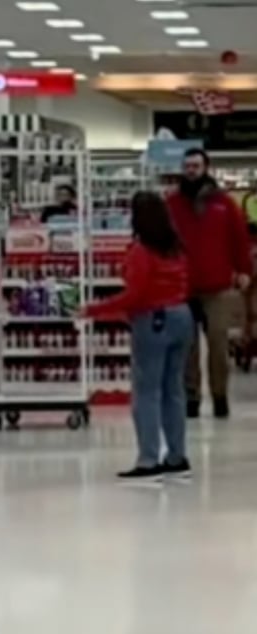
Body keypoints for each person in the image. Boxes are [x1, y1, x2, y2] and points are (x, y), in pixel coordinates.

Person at [82, 192, 193, 481]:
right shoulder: (177, 248)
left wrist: (94, 310)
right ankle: (177, 456)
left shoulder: (141, 251)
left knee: (147, 392)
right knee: (174, 390)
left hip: (153, 320)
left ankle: (148, 460)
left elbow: (135, 295)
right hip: (182, 316)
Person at [167, 148, 252, 419]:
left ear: (206, 168)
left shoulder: (224, 203)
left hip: (217, 286)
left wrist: (244, 270)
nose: (191, 170)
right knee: (187, 347)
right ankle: (191, 397)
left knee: (218, 344)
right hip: (182, 286)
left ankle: (220, 396)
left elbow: (239, 238)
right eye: (187, 166)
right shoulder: (172, 203)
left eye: (196, 165)